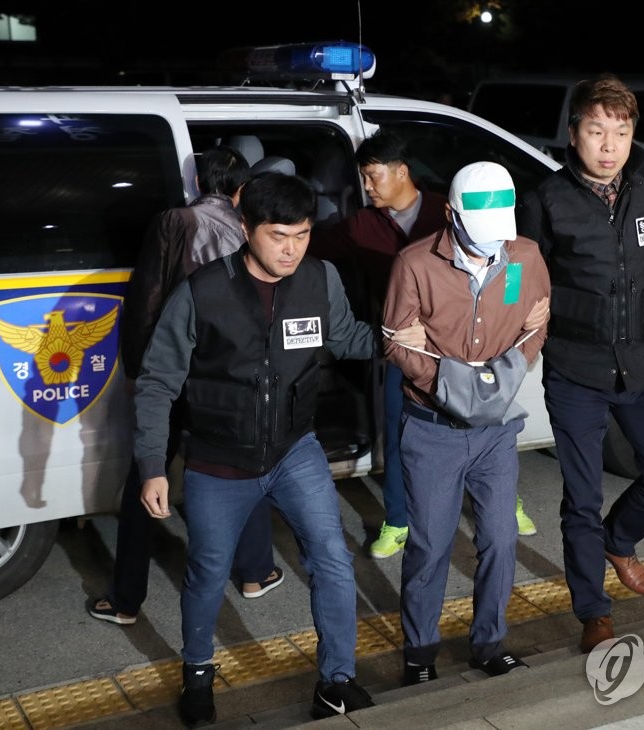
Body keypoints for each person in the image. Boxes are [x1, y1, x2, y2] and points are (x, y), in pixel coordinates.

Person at [133, 172, 425, 725]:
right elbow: (157, 381)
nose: (291, 249)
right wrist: (152, 466)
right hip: (219, 459)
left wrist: (395, 339)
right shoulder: (201, 291)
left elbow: (346, 336)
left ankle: (336, 680)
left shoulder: (320, 278)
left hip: (295, 449)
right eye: (278, 236)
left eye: (302, 235)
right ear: (246, 229)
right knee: (207, 571)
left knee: (333, 558)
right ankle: (198, 673)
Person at [515, 74, 644, 654]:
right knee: (581, 499)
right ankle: (593, 610)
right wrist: (517, 330)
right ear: (574, 133)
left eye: (620, 132)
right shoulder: (546, 199)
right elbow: (520, 275)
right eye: (596, 131)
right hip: (577, 369)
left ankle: (619, 541)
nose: (609, 145)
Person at [312, 129, 540, 560]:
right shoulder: (361, 225)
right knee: (401, 435)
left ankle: (506, 504)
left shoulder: (447, 210)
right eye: (364, 177)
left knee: (491, 431)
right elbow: (308, 249)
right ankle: (398, 520)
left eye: (373, 176)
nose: (367, 186)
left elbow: (508, 259)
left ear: (402, 172)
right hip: (409, 349)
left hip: (473, 348)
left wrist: (522, 312)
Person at [89, 146, 283, 627]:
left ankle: (126, 598)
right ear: (242, 189)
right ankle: (255, 572)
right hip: (229, 376)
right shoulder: (252, 229)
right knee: (245, 463)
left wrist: (138, 370)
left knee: (148, 471)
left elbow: (147, 301)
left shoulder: (175, 222)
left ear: (197, 182)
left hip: (176, 369)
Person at [382, 161, 550, 685]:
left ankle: (489, 644)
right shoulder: (414, 264)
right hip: (432, 430)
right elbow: (394, 342)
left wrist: (502, 373)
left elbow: (537, 326)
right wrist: (457, 383)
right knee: (430, 546)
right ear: (451, 216)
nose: (490, 245)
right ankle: (419, 654)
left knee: (500, 538)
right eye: (480, 233)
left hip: (496, 432)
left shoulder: (523, 257)